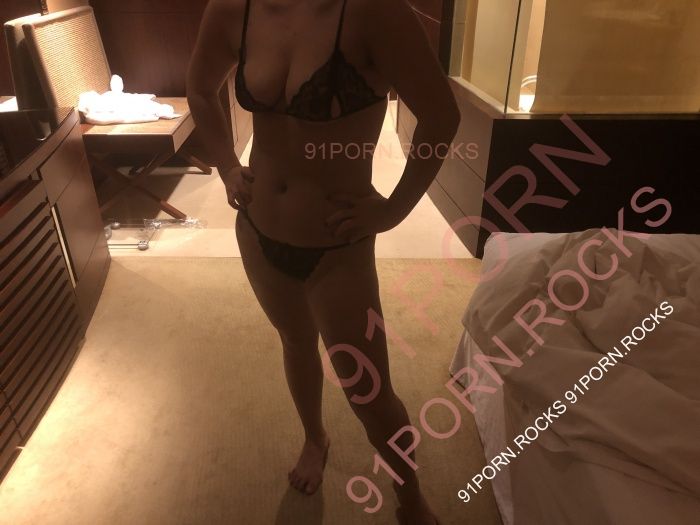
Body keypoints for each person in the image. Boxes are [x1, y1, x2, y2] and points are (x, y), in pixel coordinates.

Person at [187, 0, 459, 523]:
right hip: (258, 231)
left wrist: (395, 209)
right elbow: (199, 88)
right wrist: (226, 165)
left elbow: (442, 116)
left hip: (338, 248)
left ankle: (410, 498)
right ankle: (315, 438)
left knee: (369, 393)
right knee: (295, 341)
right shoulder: (235, 6)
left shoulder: (375, 11)